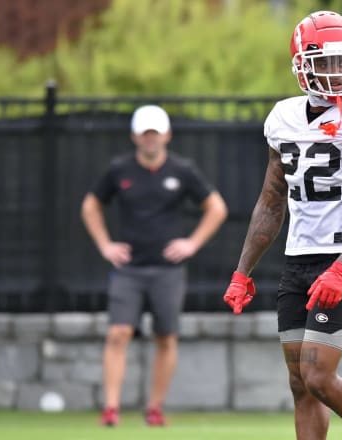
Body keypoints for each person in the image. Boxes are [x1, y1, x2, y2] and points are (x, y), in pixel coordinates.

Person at [222, 10, 342, 440]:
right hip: (299, 258)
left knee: (320, 375)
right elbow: (271, 202)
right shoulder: (283, 117)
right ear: (301, 65)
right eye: (324, 62)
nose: (337, 71)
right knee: (301, 385)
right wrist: (242, 271)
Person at [81, 104, 228, 427]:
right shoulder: (119, 171)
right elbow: (91, 205)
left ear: (167, 135)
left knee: (166, 336)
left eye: (156, 133)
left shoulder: (182, 170)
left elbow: (216, 207)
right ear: (135, 136)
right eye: (145, 133)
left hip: (167, 271)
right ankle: (111, 408)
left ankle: (155, 407)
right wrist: (106, 245)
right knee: (118, 332)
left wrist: (191, 243)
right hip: (128, 269)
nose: (151, 139)